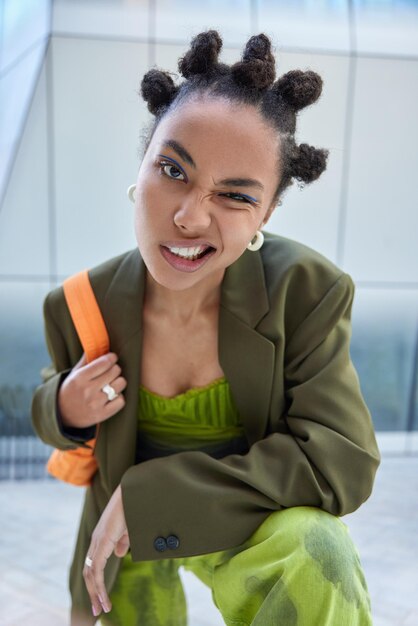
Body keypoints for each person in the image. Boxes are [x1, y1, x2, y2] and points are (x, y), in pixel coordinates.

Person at [32, 30, 380, 626]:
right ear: (140, 165)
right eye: (172, 169)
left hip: (248, 518)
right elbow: (52, 408)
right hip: (124, 536)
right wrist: (64, 405)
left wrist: (159, 496)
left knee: (318, 545)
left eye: (235, 196)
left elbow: (342, 460)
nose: (190, 217)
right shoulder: (81, 302)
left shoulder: (308, 292)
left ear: (265, 214)